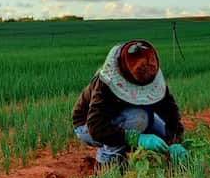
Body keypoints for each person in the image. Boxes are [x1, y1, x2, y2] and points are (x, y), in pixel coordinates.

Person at [72, 39, 187, 168]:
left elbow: (170, 112)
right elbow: (96, 127)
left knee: (162, 133)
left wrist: (174, 141)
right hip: (88, 126)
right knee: (139, 118)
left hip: (131, 116)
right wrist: (135, 139)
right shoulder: (105, 84)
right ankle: (108, 161)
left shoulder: (149, 74)